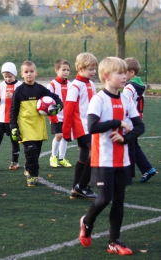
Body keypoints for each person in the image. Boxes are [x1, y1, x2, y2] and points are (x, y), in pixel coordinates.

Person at [79, 57, 145, 255]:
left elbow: (139, 126)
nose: (125, 76)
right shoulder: (99, 99)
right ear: (107, 76)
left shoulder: (125, 98)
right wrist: (117, 122)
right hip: (103, 159)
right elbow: (92, 127)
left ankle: (114, 241)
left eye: (125, 72)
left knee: (119, 200)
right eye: (120, 73)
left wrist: (125, 139)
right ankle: (87, 222)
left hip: (122, 159)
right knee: (104, 198)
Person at [10, 60, 63, 187]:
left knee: (36, 152)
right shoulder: (19, 91)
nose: (29, 74)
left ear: (36, 73)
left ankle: (28, 169)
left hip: (38, 126)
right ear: (22, 74)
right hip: (25, 126)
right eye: (26, 72)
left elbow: (56, 98)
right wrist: (13, 126)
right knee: (31, 150)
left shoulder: (40, 89)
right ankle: (33, 176)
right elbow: (13, 110)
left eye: (31, 71)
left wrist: (58, 107)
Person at [62, 52, 98, 199]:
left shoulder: (91, 84)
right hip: (82, 127)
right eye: (90, 69)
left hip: (92, 126)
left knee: (84, 155)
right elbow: (69, 109)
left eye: (95, 68)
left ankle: (76, 189)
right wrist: (66, 131)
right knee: (97, 152)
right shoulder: (75, 86)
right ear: (80, 68)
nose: (94, 72)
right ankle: (82, 186)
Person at [123, 57, 156, 182]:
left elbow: (126, 105)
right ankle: (148, 169)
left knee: (129, 147)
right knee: (134, 146)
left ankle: (129, 174)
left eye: (123, 72)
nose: (121, 75)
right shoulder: (139, 85)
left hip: (130, 121)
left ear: (131, 72)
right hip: (137, 120)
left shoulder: (129, 88)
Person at [47, 59, 72, 168]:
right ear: (57, 70)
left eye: (68, 70)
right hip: (56, 116)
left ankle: (61, 158)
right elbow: (48, 102)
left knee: (65, 137)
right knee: (59, 135)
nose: (66, 72)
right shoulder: (52, 85)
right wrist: (52, 117)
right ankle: (53, 157)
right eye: (63, 70)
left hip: (67, 116)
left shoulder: (71, 85)